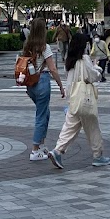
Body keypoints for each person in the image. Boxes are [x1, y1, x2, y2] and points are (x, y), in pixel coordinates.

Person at [47, 33, 110, 169]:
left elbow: (70, 81)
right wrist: (98, 68)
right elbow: (94, 76)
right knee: (93, 128)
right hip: (86, 100)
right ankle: (98, 156)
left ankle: (57, 151)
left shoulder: (69, 60)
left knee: (69, 127)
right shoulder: (85, 59)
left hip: (74, 100)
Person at [21, 17, 66, 160]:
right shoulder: (44, 47)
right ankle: (35, 150)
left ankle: (41, 145)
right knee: (41, 115)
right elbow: (52, 69)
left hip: (30, 85)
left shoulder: (27, 46)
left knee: (45, 112)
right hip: (42, 82)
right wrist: (61, 86)